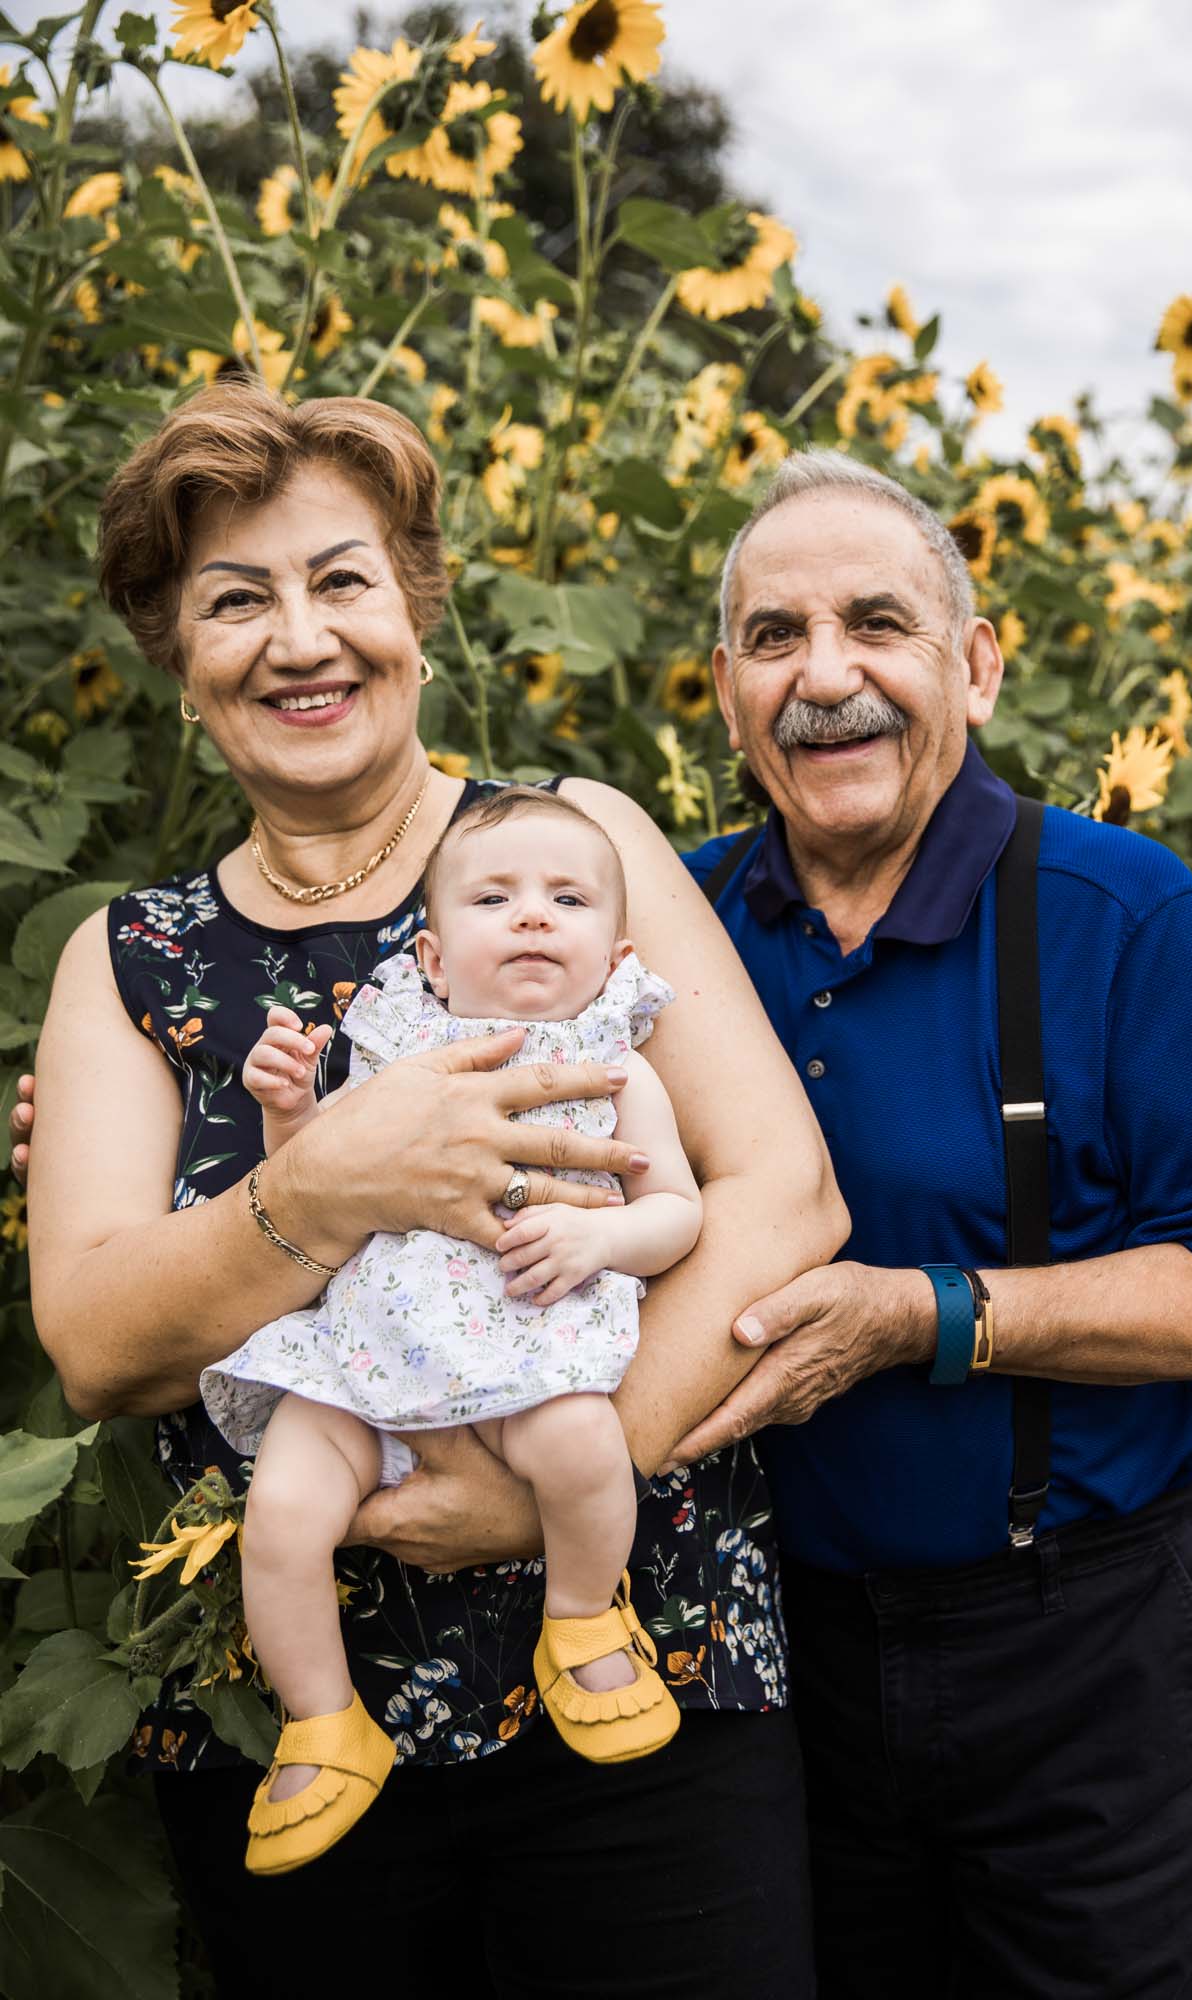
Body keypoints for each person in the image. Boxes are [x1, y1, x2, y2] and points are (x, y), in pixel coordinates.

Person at [24, 384, 848, 1998]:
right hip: (290, 1730)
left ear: (415, 601)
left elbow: (779, 1199)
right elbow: (97, 1341)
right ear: (176, 663)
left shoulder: (572, 850)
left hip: (645, 1670)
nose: (298, 638)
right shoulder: (127, 957)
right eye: (234, 601)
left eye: (340, 580)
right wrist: (320, 1190)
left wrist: (547, 1483)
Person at [671, 450, 1192, 2000]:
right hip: (780, 1656)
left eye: (876, 625)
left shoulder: (1117, 912)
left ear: (973, 665)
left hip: (1083, 1644)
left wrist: (931, 1314)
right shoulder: (668, 931)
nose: (824, 677)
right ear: (722, 689)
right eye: (775, 638)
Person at [204, 785, 702, 1875]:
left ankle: (580, 1619)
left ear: (615, 949)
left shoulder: (617, 1063)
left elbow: (677, 1210)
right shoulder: (395, 1048)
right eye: (494, 896)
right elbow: (309, 1176)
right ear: (431, 956)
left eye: (564, 897)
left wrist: (601, 1244)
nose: (531, 915)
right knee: (280, 1512)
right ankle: (321, 1720)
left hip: (525, 1343)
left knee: (581, 1445)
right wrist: (288, 1107)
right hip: (363, 1356)